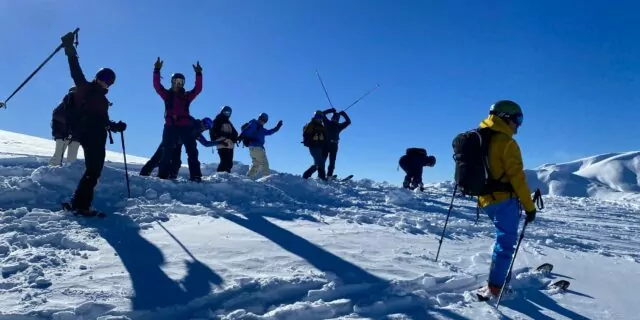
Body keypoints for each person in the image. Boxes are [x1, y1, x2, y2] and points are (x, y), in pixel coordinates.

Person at [472, 100, 536, 299]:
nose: (519, 125)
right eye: (518, 119)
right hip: (504, 201)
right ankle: (496, 287)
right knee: (506, 243)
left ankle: (497, 281)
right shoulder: (507, 143)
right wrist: (529, 207)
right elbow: (517, 177)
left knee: (503, 241)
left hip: (485, 200)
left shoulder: (480, 138)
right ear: (505, 117)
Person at [59, 31, 127, 215]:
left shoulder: (103, 100)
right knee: (94, 170)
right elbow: (75, 69)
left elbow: (104, 120)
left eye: (109, 81)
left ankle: (79, 203)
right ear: (97, 77)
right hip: (90, 135)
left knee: (94, 171)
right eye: (104, 78)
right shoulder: (86, 88)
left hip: (97, 135)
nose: (105, 83)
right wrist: (69, 47)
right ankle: (81, 205)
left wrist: (116, 126)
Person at [152, 57, 204, 182]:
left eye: (180, 82)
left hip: (185, 127)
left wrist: (198, 74)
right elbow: (157, 86)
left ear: (183, 83)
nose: (178, 84)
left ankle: (196, 175)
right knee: (167, 150)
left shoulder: (186, 96)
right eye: (176, 81)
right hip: (170, 126)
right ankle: (163, 175)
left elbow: (198, 89)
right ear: (172, 82)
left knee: (192, 150)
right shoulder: (167, 95)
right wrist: (157, 70)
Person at [139, 117, 220, 178]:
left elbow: (205, 143)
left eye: (207, 127)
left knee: (176, 162)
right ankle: (144, 174)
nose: (204, 128)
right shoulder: (191, 122)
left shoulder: (197, 133)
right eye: (205, 125)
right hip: (169, 140)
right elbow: (180, 119)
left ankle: (171, 176)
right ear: (202, 121)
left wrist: (218, 142)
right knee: (157, 158)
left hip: (178, 145)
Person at [238, 112, 282, 178]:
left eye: (264, 120)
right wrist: (240, 136)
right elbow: (247, 129)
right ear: (259, 118)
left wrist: (277, 128)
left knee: (256, 164)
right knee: (265, 163)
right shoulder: (254, 124)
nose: (262, 121)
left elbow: (269, 132)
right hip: (257, 148)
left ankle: (248, 178)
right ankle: (267, 178)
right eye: (262, 119)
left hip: (252, 149)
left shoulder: (260, 128)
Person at [49, 86, 81, 166]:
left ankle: (52, 172)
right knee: (70, 159)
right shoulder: (66, 105)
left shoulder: (64, 105)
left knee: (59, 156)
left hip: (65, 135)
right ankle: (61, 173)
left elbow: (56, 116)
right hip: (68, 135)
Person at [320, 107, 351, 179]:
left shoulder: (339, 126)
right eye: (334, 117)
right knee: (323, 160)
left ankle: (329, 176)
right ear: (332, 118)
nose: (335, 119)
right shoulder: (327, 122)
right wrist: (330, 110)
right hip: (326, 144)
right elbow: (321, 114)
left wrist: (344, 114)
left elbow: (348, 122)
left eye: (337, 118)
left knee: (332, 162)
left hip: (334, 145)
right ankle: (321, 175)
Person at [209, 105, 239, 173]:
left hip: (230, 145)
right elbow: (214, 131)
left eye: (229, 113)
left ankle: (226, 176)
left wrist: (234, 138)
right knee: (224, 161)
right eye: (226, 112)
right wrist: (225, 135)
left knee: (229, 163)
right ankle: (219, 177)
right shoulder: (217, 120)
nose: (227, 114)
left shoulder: (228, 122)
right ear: (222, 112)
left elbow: (235, 132)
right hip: (222, 143)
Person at [302, 111, 328, 180]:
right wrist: (313, 138)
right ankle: (321, 178)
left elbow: (325, 137)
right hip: (313, 146)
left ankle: (306, 176)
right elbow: (306, 134)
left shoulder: (321, 126)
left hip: (321, 147)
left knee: (319, 163)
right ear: (314, 117)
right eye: (317, 117)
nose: (319, 118)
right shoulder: (311, 125)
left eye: (320, 117)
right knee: (320, 162)